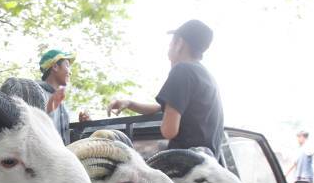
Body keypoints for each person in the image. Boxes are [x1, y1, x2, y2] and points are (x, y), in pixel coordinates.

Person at [107, 19, 224, 157]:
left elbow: (169, 131)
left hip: (188, 164)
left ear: (179, 43)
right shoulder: (204, 75)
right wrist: (130, 103)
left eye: (171, 43)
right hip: (207, 163)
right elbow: (162, 108)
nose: (169, 48)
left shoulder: (183, 69)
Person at [38, 49, 90, 144]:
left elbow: (64, 143)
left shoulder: (61, 104)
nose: (70, 72)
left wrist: (80, 127)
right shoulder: (38, 94)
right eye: (67, 65)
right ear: (55, 67)